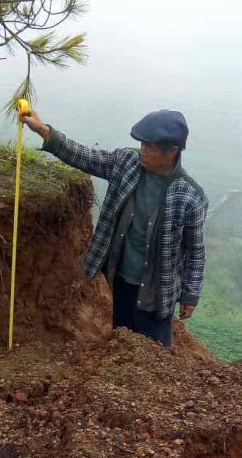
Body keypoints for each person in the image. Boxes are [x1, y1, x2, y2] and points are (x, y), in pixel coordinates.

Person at [21, 108, 208, 349]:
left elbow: (195, 251)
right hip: (120, 280)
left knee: (156, 354)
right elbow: (86, 157)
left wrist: (190, 294)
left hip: (157, 290)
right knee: (121, 342)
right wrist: (44, 131)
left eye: (150, 147)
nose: (143, 151)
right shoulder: (126, 164)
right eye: (142, 144)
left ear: (171, 151)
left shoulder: (190, 196)